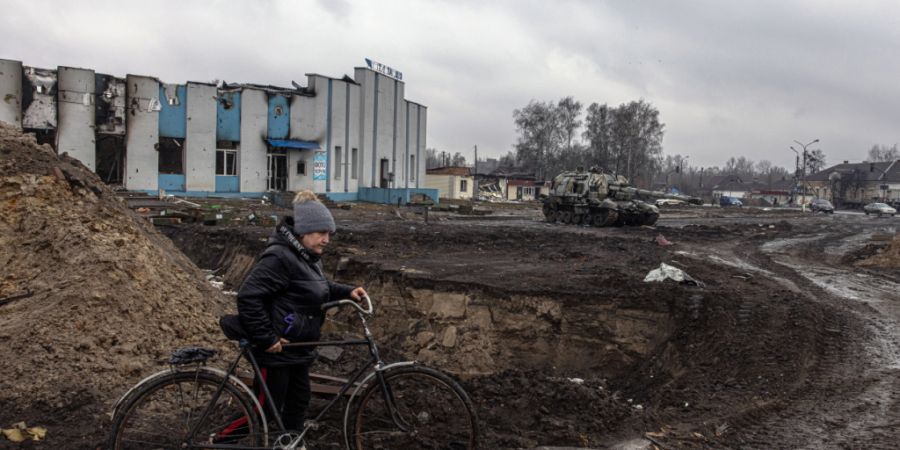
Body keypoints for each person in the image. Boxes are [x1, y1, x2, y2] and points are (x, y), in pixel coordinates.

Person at [236, 190, 367, 431]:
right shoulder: (279, 257)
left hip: (298, 347)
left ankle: (291, 444)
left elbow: (316, 286)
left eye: (329, 233)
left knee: (298, 403)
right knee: (265, 411)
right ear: (303, 232)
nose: (327, 239)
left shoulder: (308, 257)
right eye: (322, 233)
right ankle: (218, 441)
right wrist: (267, 338)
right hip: (276, 350)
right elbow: (248, 297)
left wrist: (347, 291)